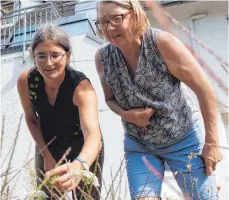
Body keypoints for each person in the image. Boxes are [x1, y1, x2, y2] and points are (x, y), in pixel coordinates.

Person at [94, 0, 222, 199]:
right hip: (139, 145)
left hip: (183, 137)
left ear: (134, 14)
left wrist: (212, 143)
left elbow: (204, 90)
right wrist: (128, 115)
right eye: (102, 22)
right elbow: (109, 99)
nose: (108, 27)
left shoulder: (162, 43)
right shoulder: (102, 57)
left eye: (116, 18)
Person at [17, 24, 104, 200]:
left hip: (83, 146)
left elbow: (93, 135)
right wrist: (46, 155)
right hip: (48, 142)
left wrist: (79, 166)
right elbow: (31, 119)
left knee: (86, 197)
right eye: (41, 56)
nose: (48, 63)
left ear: (68, 56)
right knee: (47, 195)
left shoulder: (81, 87)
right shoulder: (26, 81)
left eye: (55, 55)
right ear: (33, 57)